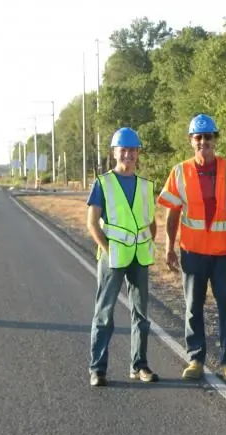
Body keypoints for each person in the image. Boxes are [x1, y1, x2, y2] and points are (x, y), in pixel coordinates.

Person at [157, 114, 226, 381]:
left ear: (215, 140)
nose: (203, 142)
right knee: (192, 307)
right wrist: (169, 247)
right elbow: (172, 214)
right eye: (198, 137)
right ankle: (195, 358)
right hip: (192, 253)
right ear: (191, 141)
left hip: (224, 255)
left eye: (208, 137)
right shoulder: (179, 171)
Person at [86, 127, 158, 387]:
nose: (128, 154)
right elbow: (92, 223)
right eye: (123, 150)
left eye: (132, 150)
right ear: (115, 152)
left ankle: (139, 365)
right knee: (104, 313)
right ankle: (98, 369)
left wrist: (148, 245)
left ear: (138, 153)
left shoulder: (146, 186)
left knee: (141, 314)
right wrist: (107, 250)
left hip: (139, 257)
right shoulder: (103, 183)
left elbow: (152, 222)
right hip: (112, 257)